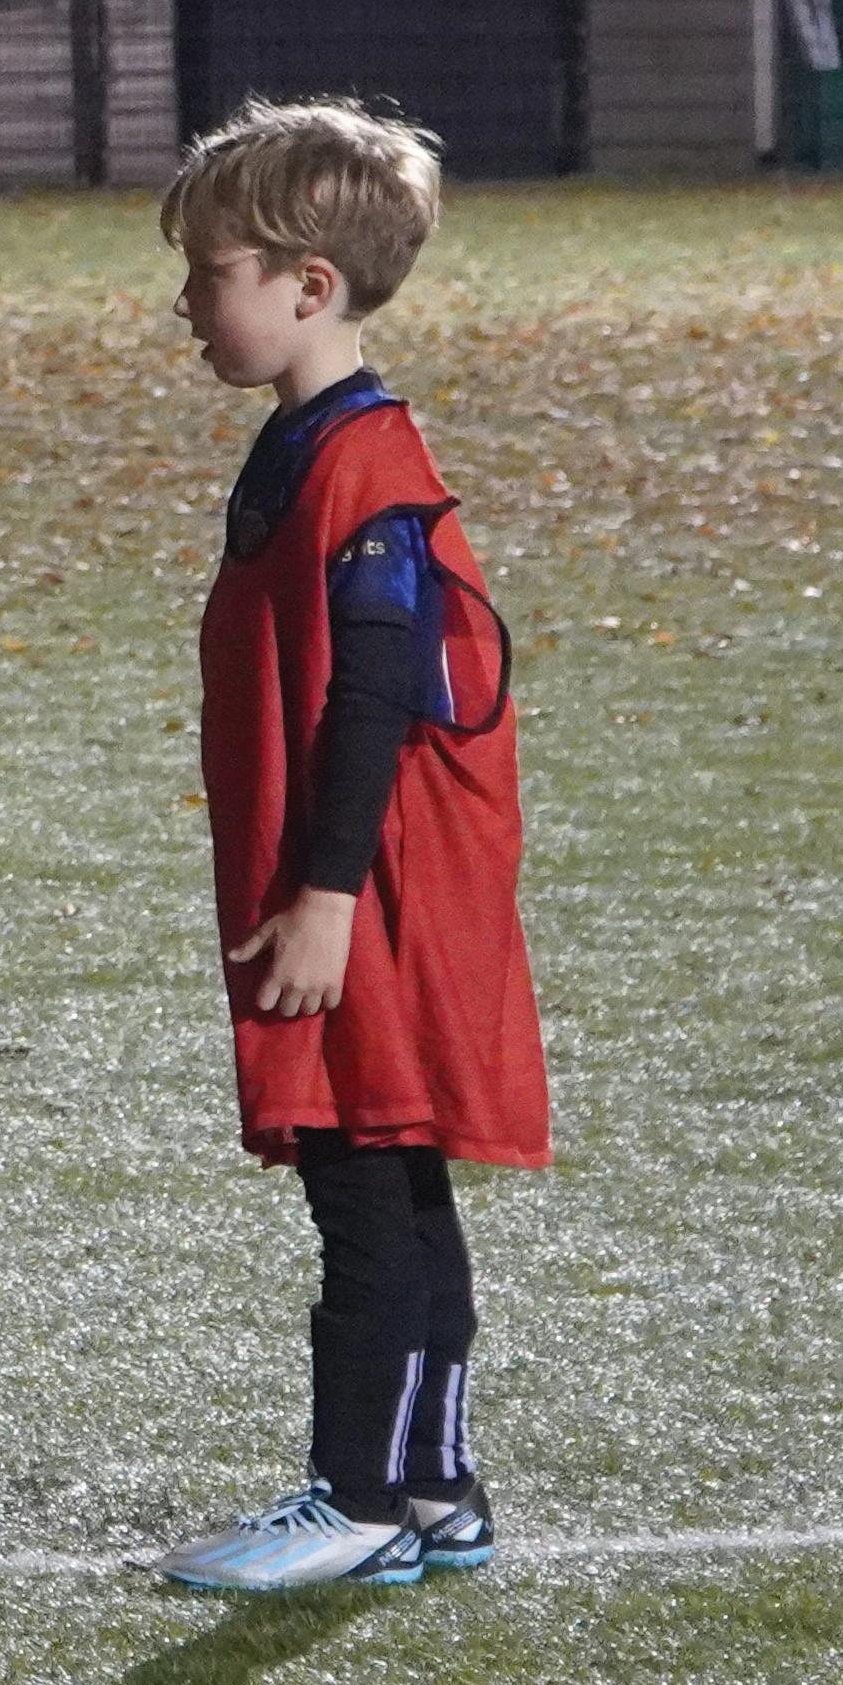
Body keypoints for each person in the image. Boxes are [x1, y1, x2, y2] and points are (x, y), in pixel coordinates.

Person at [147, 98, 547, 1595]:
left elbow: (375, 691)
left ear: (309, 286)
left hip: (367, 890)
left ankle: (359, 1496)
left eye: (211, 272)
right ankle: (437, 1487)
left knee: (364, 1185)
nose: (188, 303)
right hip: (356, 882)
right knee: (397, 1173)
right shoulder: (315, 445)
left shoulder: (364, 470)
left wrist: (323, 895)